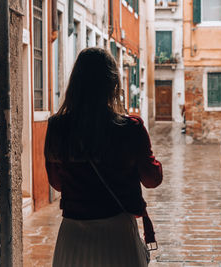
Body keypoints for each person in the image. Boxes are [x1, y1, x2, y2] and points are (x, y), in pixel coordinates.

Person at [45, 48, 163, 267]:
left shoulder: (57, 127)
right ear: (113, 84)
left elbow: (57, 183)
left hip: (73, 233)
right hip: (117, 233)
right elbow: (152, 179)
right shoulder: (131, 128)